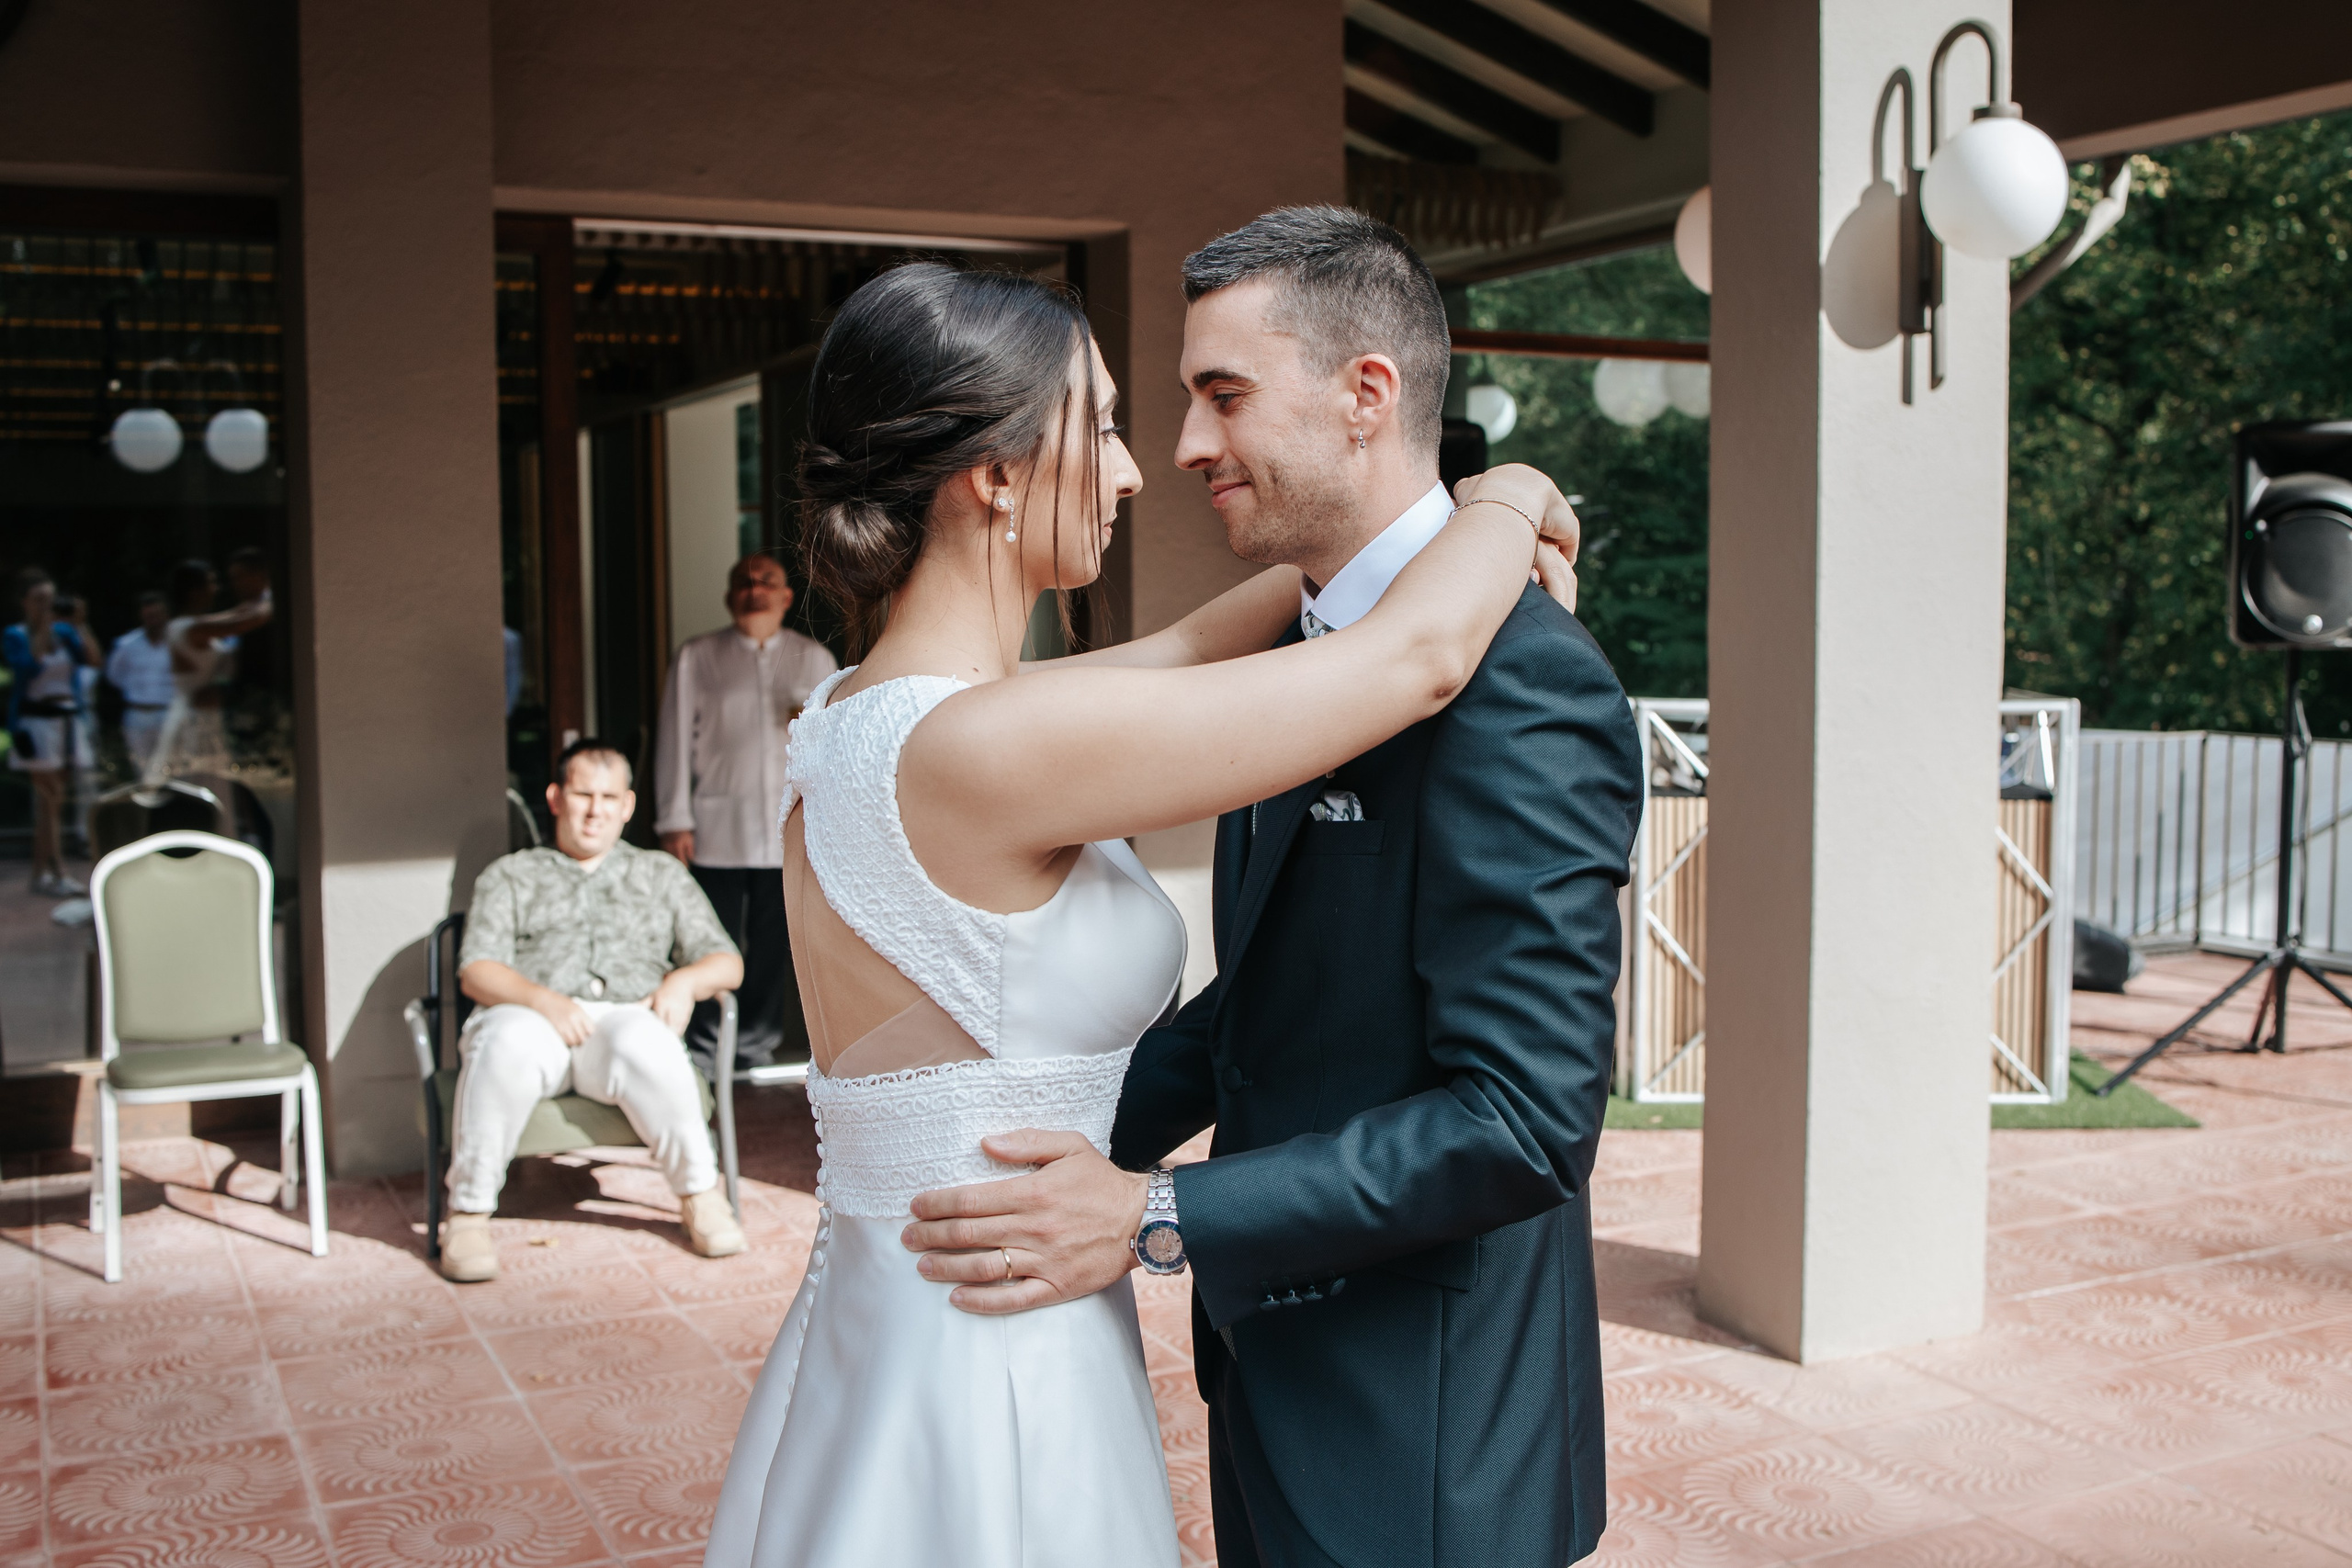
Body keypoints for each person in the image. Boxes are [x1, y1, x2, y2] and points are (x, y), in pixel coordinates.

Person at [704, 252, 1579, 1567]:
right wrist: (1504, 496)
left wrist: (1394, 523)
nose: (1132, 469)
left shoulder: (857, 713)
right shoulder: (992, 746)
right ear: (995, 475)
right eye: (1102, 425)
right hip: (995, 1347)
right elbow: (1415, 657)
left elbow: (1192, 647)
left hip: (898, 1307)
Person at [443, 736, 749, 1283]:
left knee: (648, 1040)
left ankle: (702, 1197)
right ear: (556, 798)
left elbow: (727, 962)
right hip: (532, 1018)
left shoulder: (660, 874)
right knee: (507, 1041)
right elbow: (477, 970)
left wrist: (683, 982)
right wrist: (543, 1000)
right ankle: (467, 1216)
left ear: (628, 805)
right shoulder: (511, 875)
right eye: (584, 795)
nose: (595, 811)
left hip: (623, 1020)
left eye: (609, 798)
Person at [654, 552, 838, 1073]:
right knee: (711, 941)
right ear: (729, 596)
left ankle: (754, 1044)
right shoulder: (698, 657)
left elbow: (829, 748)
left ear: (786, 596)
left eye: (766, 582)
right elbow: (673, 740)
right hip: (715, 829)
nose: (754, 590)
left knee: (772, 943)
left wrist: (827, 820)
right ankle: (705, 1047)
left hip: (788, 829)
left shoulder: (814, 659)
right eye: (744, 582)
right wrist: (674, 819)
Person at [5, 568, 98, 896]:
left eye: (50, 599)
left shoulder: (65, 633)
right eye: (39, 600)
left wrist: (80, 624)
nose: (46, 605)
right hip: (36, 724)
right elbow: (29, 666)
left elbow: (92, 660)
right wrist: (43, 626)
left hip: (67, 722)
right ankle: (58, 870)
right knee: (49, 797)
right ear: (25, 603)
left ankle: (39, 874)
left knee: (53, 803)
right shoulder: (15, 634)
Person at [147, 558, 270, 784]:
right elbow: (247, 620)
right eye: (212, 583)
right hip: (195, 718)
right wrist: (271, 596)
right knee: (198, 782)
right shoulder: (190, 627)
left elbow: (236, 614)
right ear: (195, 592)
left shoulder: (186, 624)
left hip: (202, 714)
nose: (217, 588)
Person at [106, 592, 176, 773]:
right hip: (137, 714)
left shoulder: (177, 642)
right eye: (149, 616)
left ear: (166, 615)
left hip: (169, 713)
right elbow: (113, 675)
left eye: (157, 615)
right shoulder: (126, 644)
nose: (153, 621)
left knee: (172, 767)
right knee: (142, 768)